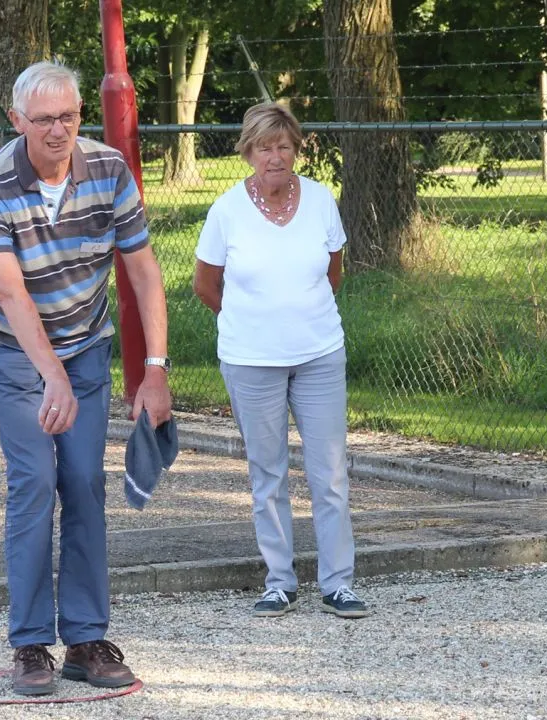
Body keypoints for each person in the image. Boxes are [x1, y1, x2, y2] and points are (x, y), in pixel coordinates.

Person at [0, 61, 173, 696]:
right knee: (35, 478)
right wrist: (49, 375)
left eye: (69, 117)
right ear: (17, 120)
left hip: (84, 341)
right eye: (44, 119)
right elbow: (10, 292)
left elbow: (144, 273)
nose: (58, 130)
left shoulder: (109, 170)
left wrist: (155, 371)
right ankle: (30, 645)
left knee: (83, 480)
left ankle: (85, 638)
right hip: (7, 345)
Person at [192, 102, 367, 620]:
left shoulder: (320, 201)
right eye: (265, 147)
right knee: (267, 472)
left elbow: (333, 272)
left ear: (296, 150)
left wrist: (296, 315)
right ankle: (280, 581)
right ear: (248, 152)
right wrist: (254, 321)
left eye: (284, 146)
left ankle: (338, 582)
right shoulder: (226, 209)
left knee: (330, 473)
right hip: (250, 360)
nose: (275, 157)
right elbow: (206, 285)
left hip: (318, 354)